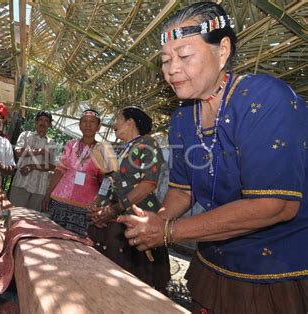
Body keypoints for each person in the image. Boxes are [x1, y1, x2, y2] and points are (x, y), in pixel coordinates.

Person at [118, 2, 308, 313]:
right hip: (215, 258)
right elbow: (183, 189)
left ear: (222, 51)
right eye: (165, 60)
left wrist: (168, 232)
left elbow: (277, 205)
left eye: (184, 56)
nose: (171, 69)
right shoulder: (183, 118)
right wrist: (155, 221)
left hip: (278, 268)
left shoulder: (265, 99)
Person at [88, 106, 171, 293]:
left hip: (138, 217)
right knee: (106, 277)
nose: (113, 124)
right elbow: (109, 181)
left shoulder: (148, 143)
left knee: (132, 281)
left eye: (118, 118)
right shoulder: (119, 148)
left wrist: (114, 209)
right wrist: (97, 205)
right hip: (116, 216)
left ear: (130, 122)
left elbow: (148, 184)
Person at [42, 109, 104, 236]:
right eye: (84, 121)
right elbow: (59, 170)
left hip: (86, 205)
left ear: (98, 127)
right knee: (53, 237)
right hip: (60, 199)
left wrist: (100, 203)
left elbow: (106, 180)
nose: (88, 125)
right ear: (80, 125)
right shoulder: (71, 145)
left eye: (92, 122)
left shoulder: (103, 150)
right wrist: (48, 193)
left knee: (77, 241)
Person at [9, 111, 58, 211]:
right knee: (14, 216)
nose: (43, 123)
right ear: (36, 122)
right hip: (21, 184)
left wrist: (33, 166)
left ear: (49, 125)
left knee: (31, 223)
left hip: (39, 189)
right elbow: (18, 152)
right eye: (40, 120)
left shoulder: (52, 143)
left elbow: (54, 166)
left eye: (46, 121)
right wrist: (40, 151)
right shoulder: (25, 135)